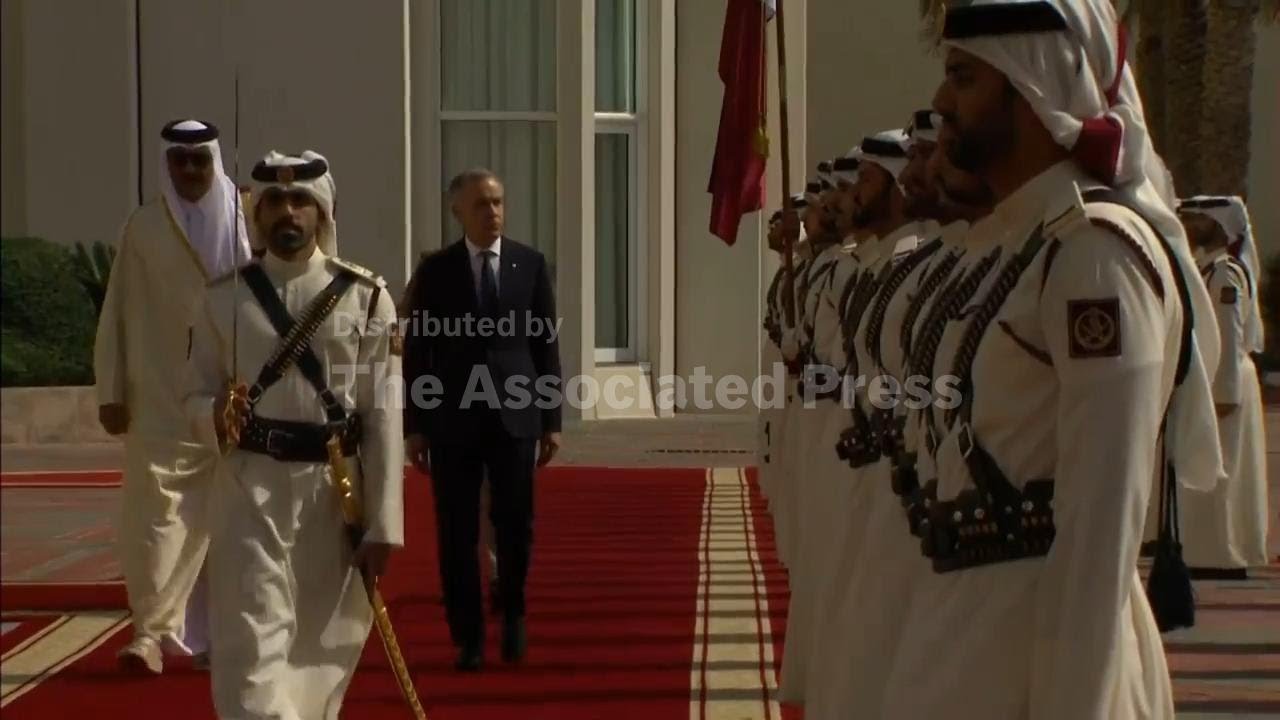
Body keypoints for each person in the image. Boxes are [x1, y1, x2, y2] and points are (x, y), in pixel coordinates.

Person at [877, 2, 1226, 718]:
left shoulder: (1094, 252)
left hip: (1040, 651)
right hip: (965, 634)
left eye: (964, 78)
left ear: (1032, 85)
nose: (942, 101)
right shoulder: (1017, 242)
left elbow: (1101, 528)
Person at [184, 150, 404, 718]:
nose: (288, 211)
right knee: (250, 643)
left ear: (323, 211)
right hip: (249, 489)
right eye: (275, 201)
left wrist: (384, 521)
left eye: (301, 200)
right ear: (256, 213)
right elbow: (192, 393)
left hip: (334, 494)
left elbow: (383, 413)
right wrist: (215, 413)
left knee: (319, 651)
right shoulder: (222, 296)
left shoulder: (366, 296)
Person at [94, 119, 251, 674]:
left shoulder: (248, 221)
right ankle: (150, 634)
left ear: (214, 161)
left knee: (228, 527)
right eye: (179, 160)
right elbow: (116, 309)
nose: (189, 170)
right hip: (159, 399)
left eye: (199, 159)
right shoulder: (143, 228)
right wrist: (111, 389)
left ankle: (219, 638)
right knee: (157, 522)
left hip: (234, 399)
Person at [403, 168, 563, 672]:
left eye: (497, 202)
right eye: (480, 204)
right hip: (453, 419)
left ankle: (513, 613)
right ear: (458, 212)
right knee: (456, 531)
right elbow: (418, 353)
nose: (492, 212)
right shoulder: (437, 271)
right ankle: (467, 636)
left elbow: (545, 345)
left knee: (515, 523)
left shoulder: (529, 264)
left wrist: (552, 419)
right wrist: (415, 425)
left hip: (516, 415)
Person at [1178, 196, 1269, 577]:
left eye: (1196, 219)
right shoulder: (1210, 269)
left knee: (1223, 471)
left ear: (1217, 225)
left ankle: (1222, 556)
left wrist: (1224, 394)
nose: (1189, 225)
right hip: (1218, 376)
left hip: (1225, 380)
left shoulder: (1224, 274)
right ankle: (1208, 551)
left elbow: (1229, 337)